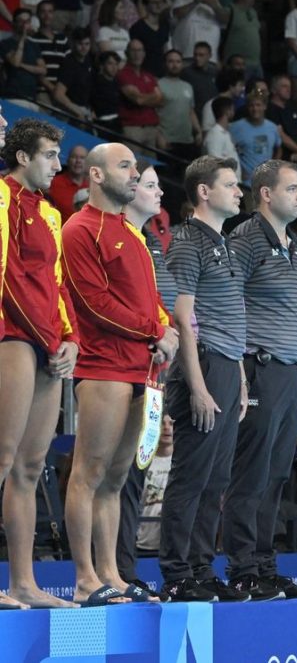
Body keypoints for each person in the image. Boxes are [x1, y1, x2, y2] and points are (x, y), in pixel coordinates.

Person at [62, 148, 177, 607]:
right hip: (103, 367)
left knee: (116, 479)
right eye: (125, 166)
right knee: (88, 475)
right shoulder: (80, 229)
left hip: (142, 369)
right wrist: (156, 330)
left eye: (135, 167)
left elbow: (149, 300)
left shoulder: (131, 231)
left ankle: (111, 573)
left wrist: (165, 329)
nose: (134, 174)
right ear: (96, 174)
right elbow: (93, 304)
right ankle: (85, 578)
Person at [218, 161, 297, 600]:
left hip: (291, 373)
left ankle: (265, 565)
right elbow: (224, 301)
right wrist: (239, 370)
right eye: (292, 189)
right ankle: (243, 569)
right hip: (259, 369)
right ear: (265, 194)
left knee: (277, 475)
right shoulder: (244, 239)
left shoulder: (296, 244)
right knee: (251, 474)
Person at [158, 156, 248, 602]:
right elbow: (183, 316)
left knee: (216, 479)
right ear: (204, 192)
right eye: (231, 185)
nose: (240, 192)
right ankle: (176, 573)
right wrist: (196, 384)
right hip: (204, 365)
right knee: (192, 476)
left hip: (228, 367)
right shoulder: (188, 241)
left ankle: (199, 568)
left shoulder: (225, 243)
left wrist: (242, 378)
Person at [0, 117, 78, 610]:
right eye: (50, 155)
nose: (58, 164)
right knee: (2, 456)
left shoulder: (50, 214)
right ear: (24, 157)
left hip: (49, 345)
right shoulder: (1, 197)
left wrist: (67, 336)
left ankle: (23, 583)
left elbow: (55, 283)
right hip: (11, 335)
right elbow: (5, 276)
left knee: (30, 467)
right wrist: (43, 335)